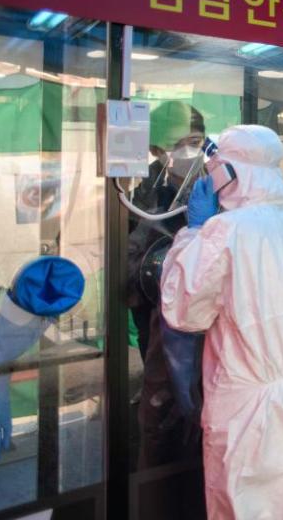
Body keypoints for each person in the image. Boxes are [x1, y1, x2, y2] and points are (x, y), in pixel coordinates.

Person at [160, 125, 283, 520]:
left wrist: (192, 233)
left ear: (227, 172)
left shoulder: (225, 232)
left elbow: (183, 310)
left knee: (249, 507)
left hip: (249, 413)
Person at [126, 100, 206, 469]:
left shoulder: (216, 187)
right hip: (159, 317)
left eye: (197, 140)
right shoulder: (140, 196)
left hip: (208, 321)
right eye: (180, 143)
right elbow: (126, 263)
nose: (192, 152)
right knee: (163, 405)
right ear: (158, 150)